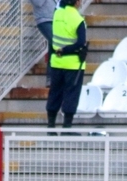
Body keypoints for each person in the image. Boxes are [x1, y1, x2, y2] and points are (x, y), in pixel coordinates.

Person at [46, 0, 86, 132]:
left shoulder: (57, 14)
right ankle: (66, 127)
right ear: (77, 2)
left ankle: (50, 126)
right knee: (71, 94)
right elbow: (81, 43)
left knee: (55, 92)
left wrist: (60, 50)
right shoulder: (78, 19)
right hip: (73, 64)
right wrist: (66, 50)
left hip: (56, 62)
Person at [30, 0, 57, 87]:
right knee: (56, 42)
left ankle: (51, 79)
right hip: (43, 19)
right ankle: (52, 78)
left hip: (56, 18)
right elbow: (38, 3)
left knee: (52, 47)